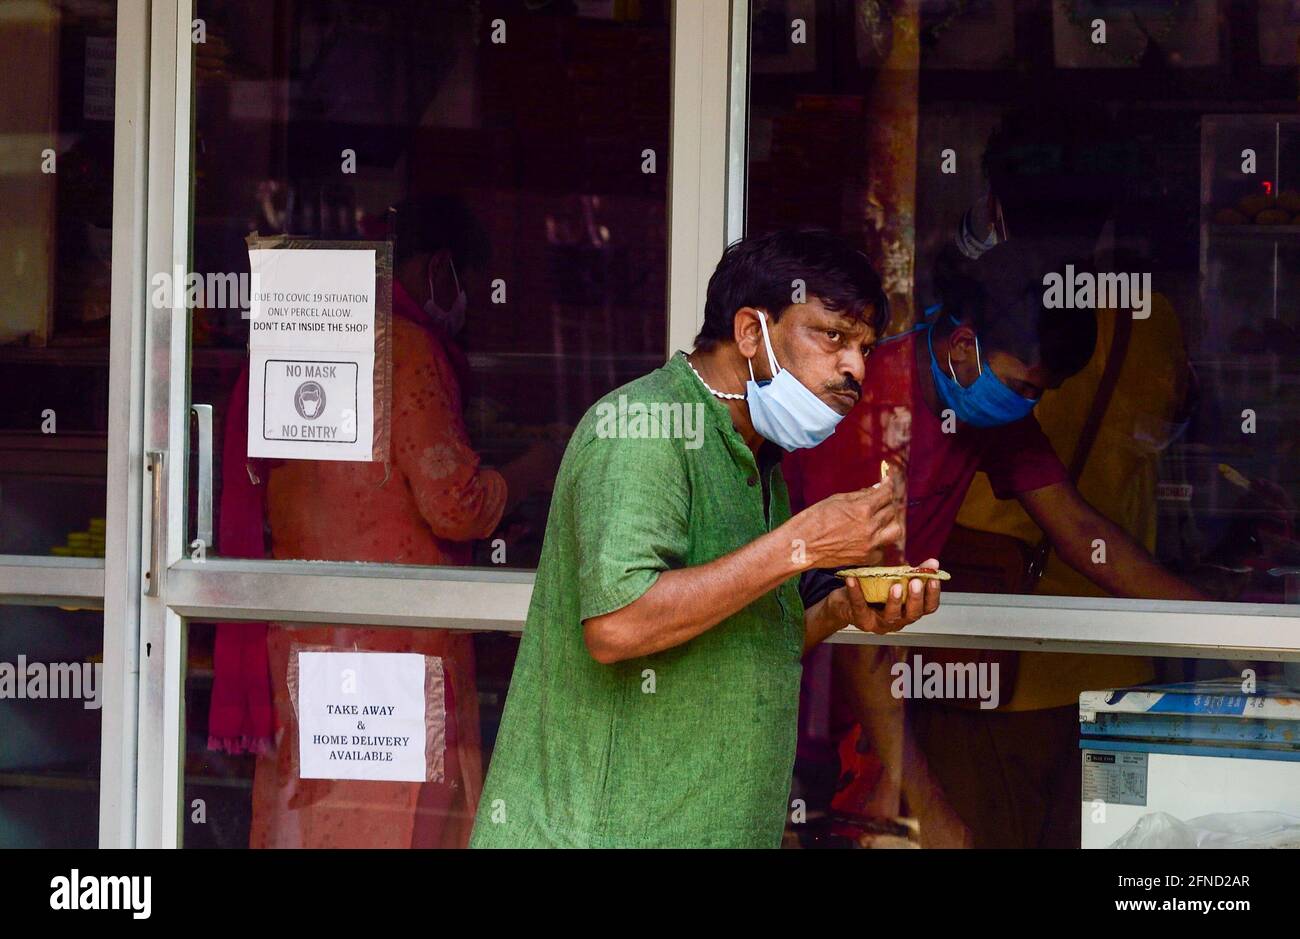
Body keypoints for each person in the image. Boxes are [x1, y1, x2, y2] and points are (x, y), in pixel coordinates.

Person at [470, 229, 942, 848]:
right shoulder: (645, 430)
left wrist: (842, 606)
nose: (855, 366)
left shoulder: (757, 457)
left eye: (864, 347)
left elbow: (733, 646)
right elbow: (618, 625)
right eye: (833, 335)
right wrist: (802, 544)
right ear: (751, 332)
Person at [785, 237, 1206, 849]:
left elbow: (1079, 531)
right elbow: (858, 636)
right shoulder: (864, 410)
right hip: (796, 673)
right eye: (1025, 387)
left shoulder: (989, 410)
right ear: (963, 347)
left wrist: (1220, 626)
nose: (1027, 405)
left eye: (1040, 393)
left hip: (870, 684)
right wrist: (929, 813)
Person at [244, 195, 561, 848]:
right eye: (469, 285)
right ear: (441, 269)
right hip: (397, 645)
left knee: (320, 816)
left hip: (310, 631)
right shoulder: (409, 349)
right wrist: (540, 464)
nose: (470, 303)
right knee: (402, 817)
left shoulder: (313, 333)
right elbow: (455, 502)